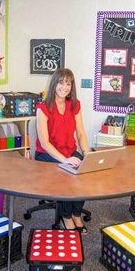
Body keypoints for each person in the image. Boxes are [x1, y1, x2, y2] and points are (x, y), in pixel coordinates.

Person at [35, 68, 89, 234]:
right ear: (54, 84)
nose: (64, 87)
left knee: (86, 172)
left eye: (68, 83)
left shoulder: (74, 105)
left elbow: (80, 133)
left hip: (69, 151)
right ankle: (66, 217)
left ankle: (76, 213)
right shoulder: (43, 108)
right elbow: (44, 143)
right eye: (61, 82)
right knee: (68, 176)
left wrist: (86, 152)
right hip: (47, 155)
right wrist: (64, 160)